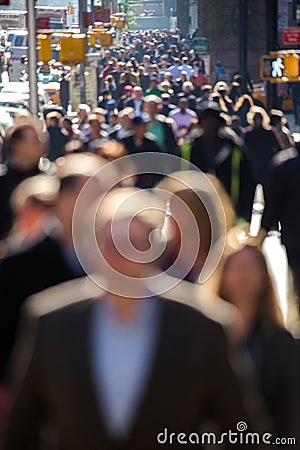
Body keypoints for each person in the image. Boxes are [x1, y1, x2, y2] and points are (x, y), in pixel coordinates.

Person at [4, 187, 250, 450]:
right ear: (94, 245)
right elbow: (22, 428)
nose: (119, 255)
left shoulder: (203, 325)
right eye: (111, 241)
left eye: (132, 243)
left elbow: (239, 428)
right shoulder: (51, 322)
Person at [0, 153, 109, 382]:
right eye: (91, 196)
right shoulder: (17, 268)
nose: (100, 205)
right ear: (62, 199)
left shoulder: (116, 267)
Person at [218, 244, 298, 439]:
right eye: (237, 268)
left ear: (265, 278)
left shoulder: (282, 342)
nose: (243, 277)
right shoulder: (206, 335)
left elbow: (290, 412)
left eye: (251, 268)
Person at [190, 103, 255, 221]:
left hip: (230, 211)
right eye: (206, 120)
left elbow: (248, 182)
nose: (210, 124)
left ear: (220, 123)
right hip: (196, 214)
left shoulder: (235, 149)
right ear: (200, 123)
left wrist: (245, 214)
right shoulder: (188, 149)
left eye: (213, 120)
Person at [0, 125, 54, 240]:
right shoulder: (3, 181)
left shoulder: (51, 179)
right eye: (35, 141)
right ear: (17, 146)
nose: (41, 145)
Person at [263, 139, 300, 300]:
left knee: (296, 273)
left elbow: (273, 201)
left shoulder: (284, 165)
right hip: (293, 233)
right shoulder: (284, 165)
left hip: (293, 233)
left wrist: (265, 228)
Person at [243, 107, 283, 189]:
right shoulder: (249, 133)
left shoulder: (248, 133)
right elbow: (279, 148)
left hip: (260, 166)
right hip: (259, 166)